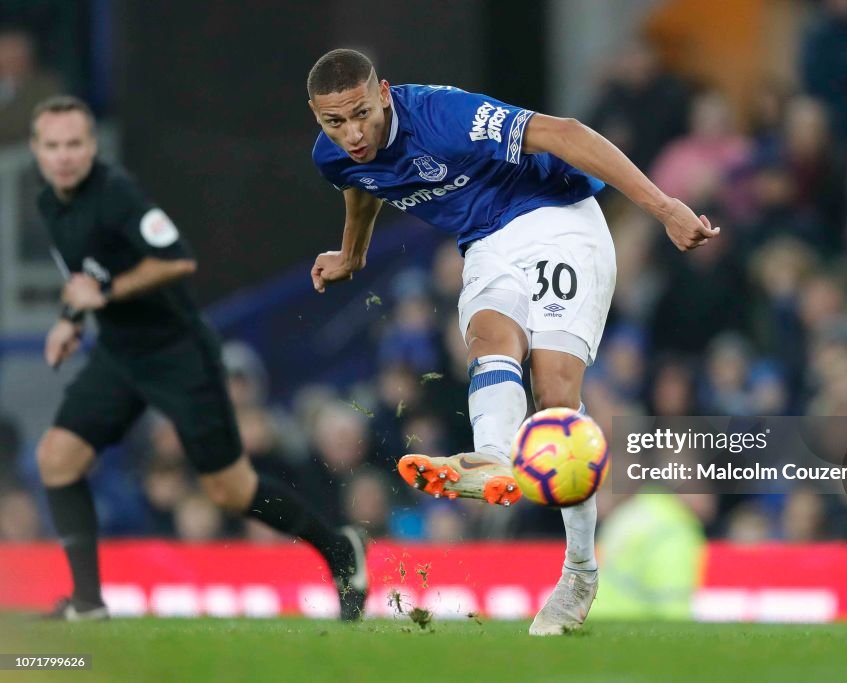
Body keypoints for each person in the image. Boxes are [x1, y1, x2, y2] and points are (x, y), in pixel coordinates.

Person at [305, 49, 719, 635]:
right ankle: (493, 460)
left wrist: (665, 208)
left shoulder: (444, 117)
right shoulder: (336, 158)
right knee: (489, 339)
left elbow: (565, 133)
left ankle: (579, 571)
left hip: (557, 218)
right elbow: (362, 184)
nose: (352, 134)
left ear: (386, 94)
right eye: (335, 123)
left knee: (554, 393)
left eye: (362, 115)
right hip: (484, 243)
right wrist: (351, 254)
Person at [29, 95, 366, 620]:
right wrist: (70, 323)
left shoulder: (116, 194)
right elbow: (85, 278)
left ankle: (339, 548)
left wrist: (107, 293)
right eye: (53, 146)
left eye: (74, 144)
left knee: (230, 491)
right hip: (121, 353)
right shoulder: (50, 205)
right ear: (37, 151)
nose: (64, 156)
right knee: (57, 458)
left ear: (92, 147)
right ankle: (88, 603)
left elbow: (177, 259)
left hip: (178, 352)